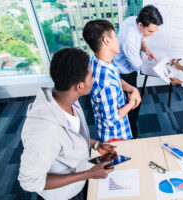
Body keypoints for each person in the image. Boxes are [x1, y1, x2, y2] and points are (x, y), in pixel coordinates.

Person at [18, 48, 117, 200]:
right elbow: (29, 182)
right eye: (91, 76)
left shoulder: (68, 99)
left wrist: (96, 144)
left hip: (78, 181)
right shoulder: (43, 132)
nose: (94, 79)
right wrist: (89, 174)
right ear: (79, 85)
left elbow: (70, 135)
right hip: (62, 195)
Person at [83, 19, 141, 142]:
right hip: (116, 137)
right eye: (115, 37)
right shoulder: (106, 83)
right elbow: (112, 120)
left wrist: (132, 89)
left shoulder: (98, 61)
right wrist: (131, 103)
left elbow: (117, 79)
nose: (117, 40)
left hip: (111, 130)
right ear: (107, 41)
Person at [113, 5, 163, 138]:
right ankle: (132, 136)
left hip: (122, 67)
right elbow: (137, 66)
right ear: (141, 25)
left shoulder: (132, 19)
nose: (152, 35)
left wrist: (145, 49)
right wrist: (140, 57)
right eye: (151, 31)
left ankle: (132, 130)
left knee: (132, 103)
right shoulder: (130, 40)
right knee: (132, 105)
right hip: (125, 73)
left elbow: (141, 37)